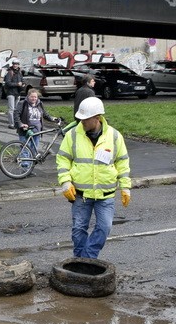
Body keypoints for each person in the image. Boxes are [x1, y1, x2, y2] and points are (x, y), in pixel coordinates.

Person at [55, 97, 131, 259]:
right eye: (80, 118)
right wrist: (66, 181)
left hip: (105, 194)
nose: (81, 121)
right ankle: (81, 262)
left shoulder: (114, 136)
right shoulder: (73, 135)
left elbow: (122, 162)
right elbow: (63, 159)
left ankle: (86, 259)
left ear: (97, 118)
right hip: (81, 195)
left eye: (85, 119)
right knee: (78, 230)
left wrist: (125, 187)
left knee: (104, 227)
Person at [15, 88, 60, 155]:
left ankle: (31, 164)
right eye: (32, 97)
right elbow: (16, 115)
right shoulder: (22, 103)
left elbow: (44, 114)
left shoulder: (39, 104)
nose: (34, 99)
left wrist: (52, 119)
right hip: (25, 130)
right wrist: (20, 124)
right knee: (25, 149)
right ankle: (25, 165)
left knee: (34, 149)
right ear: (28, 96)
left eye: (35, 97)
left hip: (37, 131)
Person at [3, 59, 26, 128]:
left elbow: (22, 80)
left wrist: (23, 84)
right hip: (10, 93)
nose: (15, 65)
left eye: (16, 64)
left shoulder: (19, 72)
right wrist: (17, 84)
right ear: (12, 65)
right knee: (11, 109)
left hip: (18, 93)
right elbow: (8, 83)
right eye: (14, 64)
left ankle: (16, 123)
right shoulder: (9, 72)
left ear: (18, 65)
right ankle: (11, 124)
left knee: (17, 109)